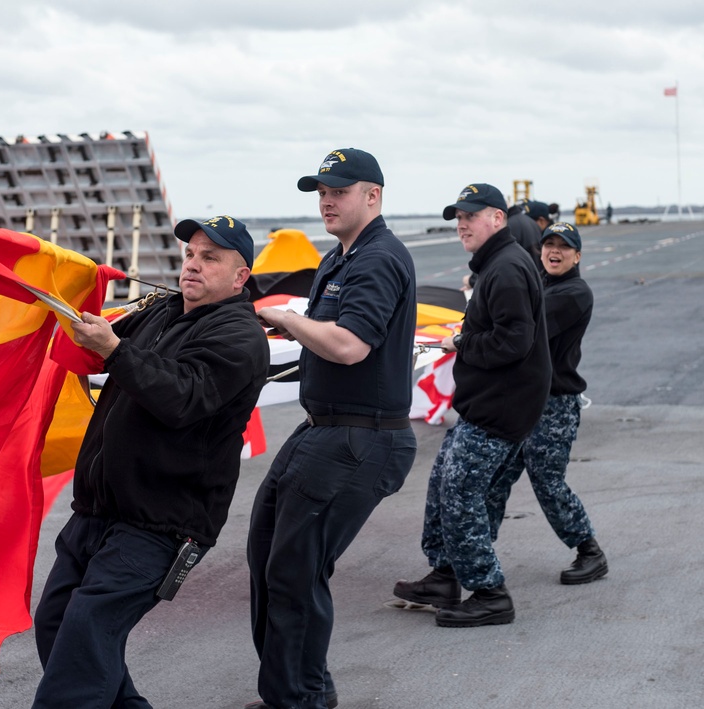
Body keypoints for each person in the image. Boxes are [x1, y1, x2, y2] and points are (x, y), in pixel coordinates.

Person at [31, 215, 270, 708]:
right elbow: (102, 341)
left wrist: (115, 350)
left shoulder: (240, 337)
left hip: (162, 522)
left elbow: (182, 396)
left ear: (240, 276)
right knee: (58, 624)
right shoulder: (161, 310)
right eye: (189, 255)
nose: (193, 266)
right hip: (99, 509)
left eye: (211, 258)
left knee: (85, 639)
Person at [247, 148, 418, 708]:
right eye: (321, 190)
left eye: (339, 190)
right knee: (268, 554)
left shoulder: (377, 259)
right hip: (324, 428)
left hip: (360, 437)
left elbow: (349, 345)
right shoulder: (340, 257)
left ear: (373, 195)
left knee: (295, 572)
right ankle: (296, 689)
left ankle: (301, 699)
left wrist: (286, 316)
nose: (326, 199)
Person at [393, 183, 551, 627]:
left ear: (497, 218)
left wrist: (461, 341)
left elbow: (513, 342)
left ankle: (489, 593)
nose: (462, 224)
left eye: (470, 215)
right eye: (458, 217)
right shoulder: (497, 264)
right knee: (443, 482)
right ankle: (444, 575)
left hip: (500, 410)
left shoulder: (505, 269)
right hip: (487, 406)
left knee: (461, 495)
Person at [486, 222, 608, 583]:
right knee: (495, 478)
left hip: (554, 405)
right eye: (548, 244)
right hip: (523, 402)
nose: (554, 252)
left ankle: (590, 551)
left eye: (564, 247)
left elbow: (524, 323)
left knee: (547, 481)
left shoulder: (574, 293)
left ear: (577, 255)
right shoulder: (541, 284)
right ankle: (473, 553)